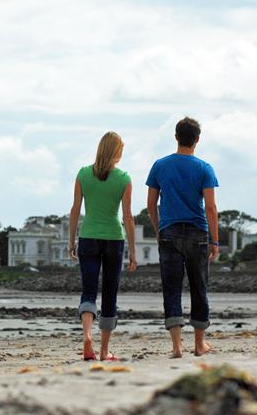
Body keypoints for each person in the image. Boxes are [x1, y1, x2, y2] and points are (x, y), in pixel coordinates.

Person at [146, 116, 219, 358]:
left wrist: (159, 231)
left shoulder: (160, 165)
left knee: (172, 288)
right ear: (197, 139)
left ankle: (177, 347)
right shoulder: (204, 168)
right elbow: (210, 208)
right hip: (198, 232)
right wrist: (215, 241)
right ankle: (199, 345)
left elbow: (151, 204)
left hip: (169, 231)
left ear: (176, 137)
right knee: (199, 288)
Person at [68, 131, 137, 362]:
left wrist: (71, 240)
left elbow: (75, 209)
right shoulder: (124, 178)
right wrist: (133, 252)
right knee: (109, 294)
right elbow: (128, 216)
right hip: (114, 239)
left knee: (88, 291)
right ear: (117, 152)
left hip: (88, 237)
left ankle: (87, 336)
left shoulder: (83, 174)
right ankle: (105, 351)